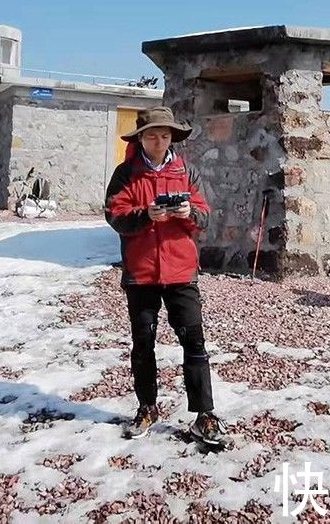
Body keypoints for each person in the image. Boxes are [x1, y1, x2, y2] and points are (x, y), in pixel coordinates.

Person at [104, 106, 225, 445]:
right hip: (141, 273)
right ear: (140, 137)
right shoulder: (125, 173)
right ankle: (146, 406)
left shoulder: (187, 171)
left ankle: (204, 415)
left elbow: (204, 215)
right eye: (152, 135)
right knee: (143, 343)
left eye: (165, 135)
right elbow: (114, 214)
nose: (159, 141)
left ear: (173, 137)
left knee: (194, 343)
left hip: (181, 270)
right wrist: (146, 216)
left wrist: (189, 213)